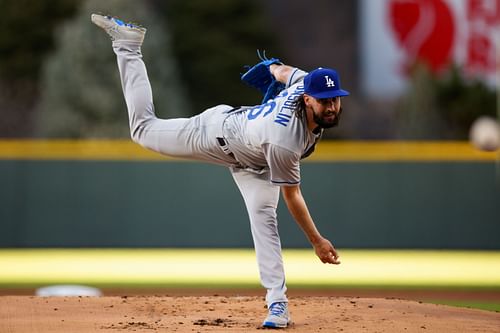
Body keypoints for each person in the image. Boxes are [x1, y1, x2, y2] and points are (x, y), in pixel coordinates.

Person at [91, 14, 348, 328]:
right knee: (143, 131)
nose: (332, 106)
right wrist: (317, 241)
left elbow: (282, 71)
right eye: (325, 102)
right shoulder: (285, 140)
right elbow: (292, 195)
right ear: (308, 100)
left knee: (264, 220)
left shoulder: (305, 82)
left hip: (255, 161)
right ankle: (129, 47)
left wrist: (269, 68)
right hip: (216, 134)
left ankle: (277, 306)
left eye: (336, 99)